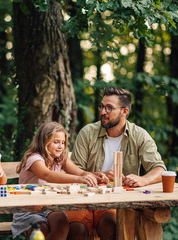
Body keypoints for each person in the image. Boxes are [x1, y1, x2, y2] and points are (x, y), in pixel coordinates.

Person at [68, 86, 167, 240]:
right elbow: (73, 171)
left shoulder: (139, 135)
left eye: (109, 108)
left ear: (124, 112)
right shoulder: (87, 132)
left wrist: (143, 179)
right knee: (77, 230)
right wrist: (98, 176)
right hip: (83, 198)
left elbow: (160, 169)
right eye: (102, 106)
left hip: (113, 201)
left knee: (110, 227)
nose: (102, 112)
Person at [11, 121, 105, 240]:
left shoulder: (60, 159)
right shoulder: (34, 159)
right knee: (42, 230)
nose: (61, 146)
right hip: (29, 210)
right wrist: (80, 179)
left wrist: (95, 176)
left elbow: (80, 172)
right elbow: (47, 175)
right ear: (44, 141)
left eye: (63, 142)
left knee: (62, 225)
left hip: (50, 207)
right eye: (56, 142)